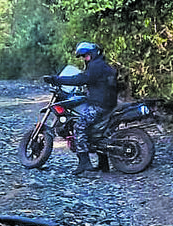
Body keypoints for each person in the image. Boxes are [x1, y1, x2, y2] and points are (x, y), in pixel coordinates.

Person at [44, 42, 118, 175]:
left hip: (100, 105)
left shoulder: (96, 66)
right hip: (106, 102)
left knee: (79, 126)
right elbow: (95, 84)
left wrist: (56, 80)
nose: (84, 58)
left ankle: (84, 162)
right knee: (95, 132)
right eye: (83, 56)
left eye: (86, 56)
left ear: (93, 54)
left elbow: (80, 79)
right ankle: (103, 164)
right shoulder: (102, 65)